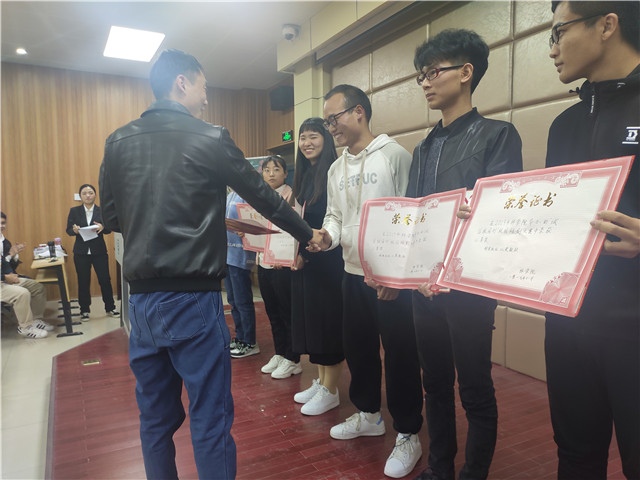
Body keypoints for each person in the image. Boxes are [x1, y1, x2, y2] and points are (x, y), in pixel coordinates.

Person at [99, 49, 321, 479]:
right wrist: (307, 233)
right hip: (193, 299)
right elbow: (263, 196)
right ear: (182, 82)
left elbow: (111, 218)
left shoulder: (117, 140)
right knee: (210, 417)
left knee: (155, 420)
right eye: (203, 86)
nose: (206, 96)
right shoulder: (210, 137)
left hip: (140, 304)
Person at [407, 30, 523, 480]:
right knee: (434, 384)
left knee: (474, 388)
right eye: (421, 75)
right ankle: (439, 469)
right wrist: (411, 272)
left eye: (433, 72)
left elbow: (500, 216)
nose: (425, 82)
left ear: (466, 72)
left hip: (469, 286)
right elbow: (415, 216)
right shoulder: (423, 147)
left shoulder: (498, 135)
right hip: (424, 288)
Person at [544, 2, 639, 478]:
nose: (552, 50)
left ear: (607, 24)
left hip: (634, 327)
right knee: (576, 455)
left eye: (558, 33)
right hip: (568, 324)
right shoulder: (564, 125)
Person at [314, 84, 424, 479]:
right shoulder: (336, 167)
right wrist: (327, 236)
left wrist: (398, 274)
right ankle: (369, 415)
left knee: (400, 355)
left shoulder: (395, 156)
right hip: (350, 272)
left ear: (359, 112)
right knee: (358, 349)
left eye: (334, 118)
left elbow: (413, 216)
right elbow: (335, 216)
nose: (331, 127)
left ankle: (408, 431)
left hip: (390, 280)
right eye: (327, 121)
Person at [290, 117, 345, 415]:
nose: (307, 143)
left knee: (327, 324)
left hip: (328, 261)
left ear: (326, 139)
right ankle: (322, 381)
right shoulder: (305, 175)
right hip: (308, 259)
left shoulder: (334, 172)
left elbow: (330, 221)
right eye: (303, 137)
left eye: (313, 136)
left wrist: (308, 252)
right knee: (313, 324)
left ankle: (331, 389)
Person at [256, 155, 300, 376]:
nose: (271, 174)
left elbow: (295, 230)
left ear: (285, 173)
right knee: (272, 312)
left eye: (276, 169)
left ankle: (293, 358)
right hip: (263, 261)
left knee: (286, 312)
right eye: (267, 170)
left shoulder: (292, 197)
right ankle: (280, 353)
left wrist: (285, 255)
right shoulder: (259, 196)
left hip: (282, 264)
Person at [66, 183, 119, 321]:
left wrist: (103, 227)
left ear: (95, 195)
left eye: (90, 193)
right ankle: (84, 310)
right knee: (83, 281)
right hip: (81, 252)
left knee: (105, 279)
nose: (88, 195)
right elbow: (68, 230)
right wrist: (74, 230)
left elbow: (109, 229)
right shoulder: (74, 211)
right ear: (80, 196)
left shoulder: (102, 211)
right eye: (84, 193)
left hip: (99, 251)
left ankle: (110, 307)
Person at [1, 211, 52, 338]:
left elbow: (5, 263)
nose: (1, 226)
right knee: (22, 293)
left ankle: (35, 320)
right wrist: (5, 277)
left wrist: (13, 257)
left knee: (38, 287)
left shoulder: (4, 242)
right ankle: (25, 327)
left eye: (3, 223)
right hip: (3, 280)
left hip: (6, 278)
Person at [225, 189, 259, 358]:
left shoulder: (247, 194)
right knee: (233, 301)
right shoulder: (229, 195)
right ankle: (240, 337)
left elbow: (254, 223)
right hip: (227, 255)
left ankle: (250, 342)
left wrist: (244, 228)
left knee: (242, 301)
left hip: (240, 254)